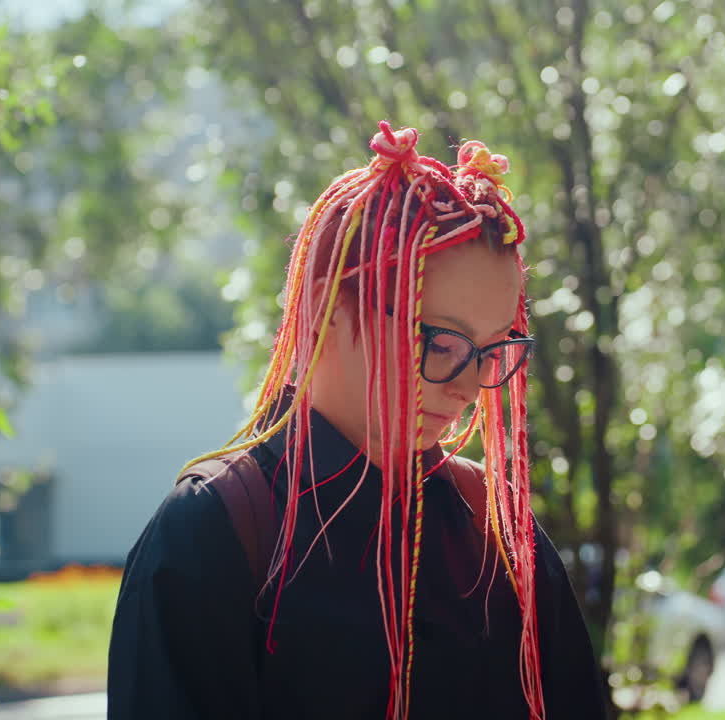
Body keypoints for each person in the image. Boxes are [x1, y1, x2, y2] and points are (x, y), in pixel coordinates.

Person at [107, 122, 609, 720]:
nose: (471, 384)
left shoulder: (491, 528)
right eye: (441, 341)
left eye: (494, 348)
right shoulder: (214, 533)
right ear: (326, 310)